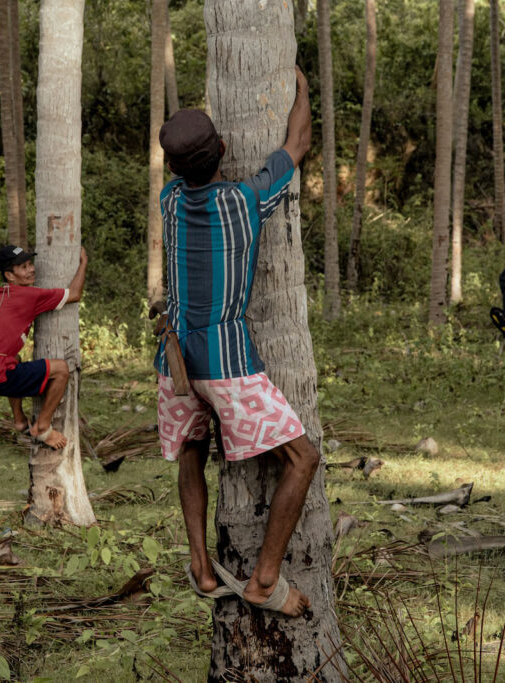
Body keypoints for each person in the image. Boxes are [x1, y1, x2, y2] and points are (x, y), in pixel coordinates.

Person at [154, 67, 316, 618]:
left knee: (192, 451)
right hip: (225, 362)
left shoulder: (170, 202)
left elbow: (187, 173)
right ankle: (265, 580)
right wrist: (302, 88)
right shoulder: (244, 201)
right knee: (302, 458)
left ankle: (201, 567)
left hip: (173, 358)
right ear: (224, 148)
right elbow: (299, 143)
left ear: (173, 168)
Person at [0, 245, 87, 449]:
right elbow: (75, 294)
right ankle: (42, 427)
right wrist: (83, 263)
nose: (31, 270)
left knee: (15, 360)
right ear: (9, 274)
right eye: (23, 267)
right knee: (61, 369)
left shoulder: (2, 293)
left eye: (30, 264)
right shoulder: (28, 296)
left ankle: (19, 420)